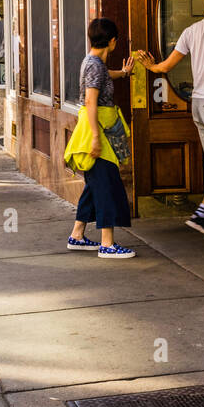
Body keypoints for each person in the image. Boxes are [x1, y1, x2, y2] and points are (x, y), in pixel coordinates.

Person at [138, 0, 204, 241]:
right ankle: (202, 214)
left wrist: (150, 66)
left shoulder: (192, 30)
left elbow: (165, 67)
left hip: (198, 104)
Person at [66, 18, 137, 259]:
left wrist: (124, 73)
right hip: (97, 132)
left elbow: (105, 76)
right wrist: (96, 138)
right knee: (107, 186)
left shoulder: (92, 61)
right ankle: (107, 244)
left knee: (95, 185)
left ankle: (77, 235)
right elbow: (90, 100)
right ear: (113, 41)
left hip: (95, 129)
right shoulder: (95, 65)